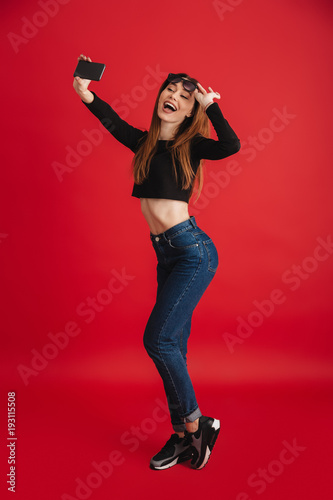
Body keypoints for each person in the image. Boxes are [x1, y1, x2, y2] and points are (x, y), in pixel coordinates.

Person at [73, 54, 241, 470]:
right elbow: (113, 123)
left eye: (185, 96)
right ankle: (185, 437)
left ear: (189, 111)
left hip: (192, 253)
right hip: (166, 255)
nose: (174, 96)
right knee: (174, 348)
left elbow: (231, 145)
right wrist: (86, 94)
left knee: (158, 341)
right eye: (170, 90)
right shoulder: (145, 142)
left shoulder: (192, 145)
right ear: (160, 98)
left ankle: (196, 425)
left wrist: (211, 106)